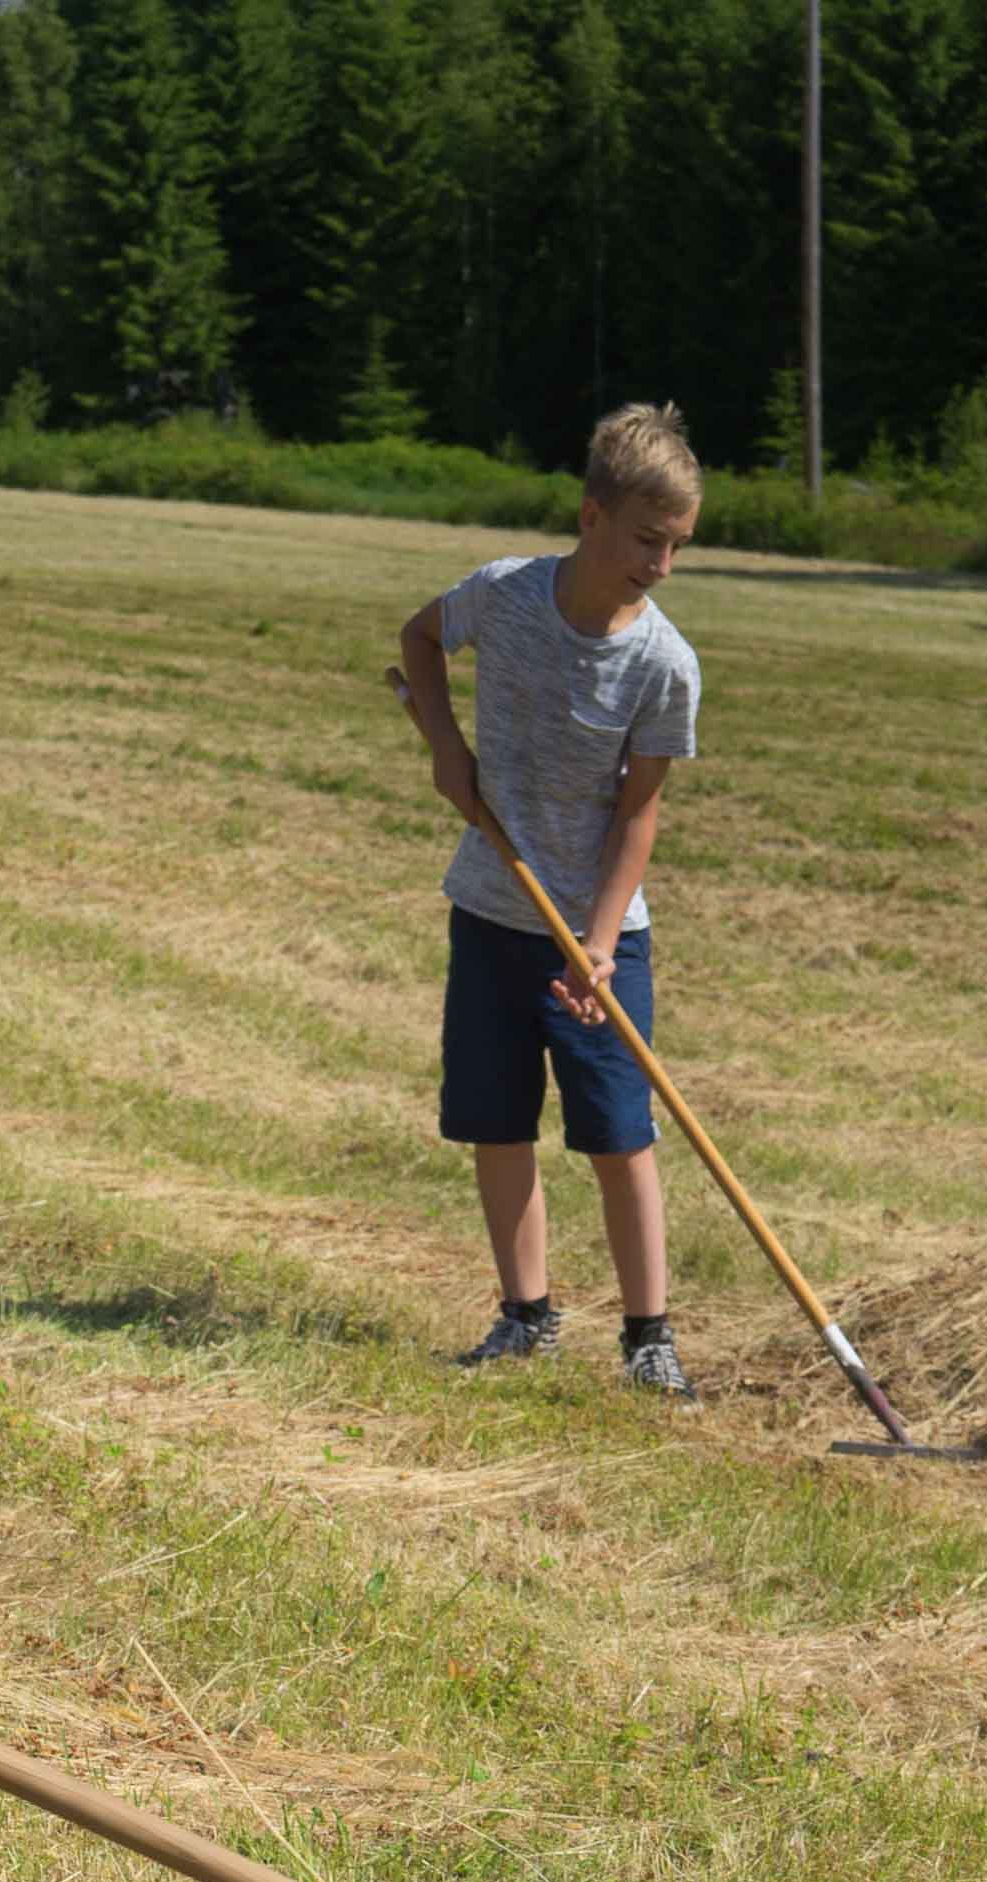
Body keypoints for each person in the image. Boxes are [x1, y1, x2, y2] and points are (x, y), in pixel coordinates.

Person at [395, 404, 707, 1399]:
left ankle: (647, 1339)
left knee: (619, 1135)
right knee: (496, 1120)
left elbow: (638, 819)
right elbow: (419, 639)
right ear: (591, 516)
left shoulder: (663, 664)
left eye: (677, 547)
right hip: (492, 908)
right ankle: (525, 1317)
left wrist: (600, 941)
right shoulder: (505, 597)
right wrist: (447, 749)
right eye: (646, 541)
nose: (660, 565)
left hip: (597, 933)